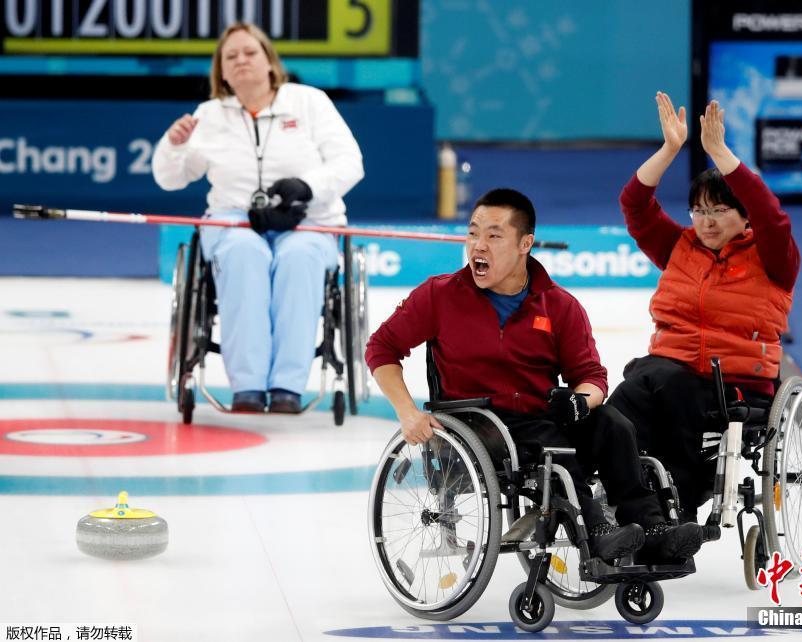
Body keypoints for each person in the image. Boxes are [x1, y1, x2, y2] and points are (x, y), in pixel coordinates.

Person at [365, 188, 702, 565]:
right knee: (549, 445)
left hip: (541, 416)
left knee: (613, 424)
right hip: (478, 423)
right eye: (473, 233)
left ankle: (653, 530)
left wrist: (580, 401)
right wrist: (407, 412)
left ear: (525, 244)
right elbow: (381, 348)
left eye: (493, 235)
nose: (478, 245)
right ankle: (596, 531)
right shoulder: (439, 295)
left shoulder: (559, 305)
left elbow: (591, 376)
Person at [607, 92, 800, 528]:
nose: (705, 221)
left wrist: (719, 153)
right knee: (621, 406)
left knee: (669, 388)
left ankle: (678, 511)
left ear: (744, 216)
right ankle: (621, 507)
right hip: (666, 370)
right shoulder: (679, 245)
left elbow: (772, 216)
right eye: (697, 210)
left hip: (734, 381)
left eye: (718, 210)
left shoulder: (773, 256)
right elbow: (634, 205)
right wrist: (669, 149)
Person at [153, 22, 364, 413]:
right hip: (233, 221)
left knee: (298, 258)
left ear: (269, 61)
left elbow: (350, 162)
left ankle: (287, 386)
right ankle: (247, 386)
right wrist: (173, 145)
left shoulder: (310, 102)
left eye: (250, 52)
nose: (241, 61)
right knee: (244, 254)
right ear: (221, 71)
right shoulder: (209, 115)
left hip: (307, 220)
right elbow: (170, 179)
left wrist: (307, 186)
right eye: (230, 56)